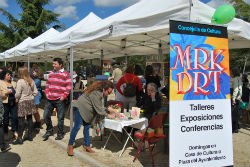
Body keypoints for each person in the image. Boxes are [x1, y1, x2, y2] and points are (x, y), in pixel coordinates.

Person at [67, 80, 115, 156]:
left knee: (87, 127)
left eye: (110, 93)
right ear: (104, 89)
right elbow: (99, 110)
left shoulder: (103, 94)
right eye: (108, 92)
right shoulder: (96, 94)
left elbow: (105, 105)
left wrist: (115, 111)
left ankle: (87, 145)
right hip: (80, 108)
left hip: (87, 112)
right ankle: (70, 145)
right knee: (77, 127)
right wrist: (109, 116)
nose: (108, 94)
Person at [43, 58, 72, 140]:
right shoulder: (51, 73)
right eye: (53, 64)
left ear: (60, 65)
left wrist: (63, 96)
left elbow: (69, 86)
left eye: (55, 64)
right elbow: (48, 84)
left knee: (60, 118)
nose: (53, 65)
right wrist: (47, 93)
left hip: (59, 100)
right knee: (45, 116)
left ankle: (60, 133)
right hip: (50, 99)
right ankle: (49, 130)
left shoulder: (66, 74)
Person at [14, 67, 38, 144]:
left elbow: (17, 93)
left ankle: (20, 138)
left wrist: (16, 98)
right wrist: (32, 96)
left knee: (21, 119)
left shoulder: (20, 81)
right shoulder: (31, 80)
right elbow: (36, 92)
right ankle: (30, 136)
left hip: (23, 101)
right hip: (30, 101)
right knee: (30, 118)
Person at [0, 69, 18, 141]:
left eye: (10, 75)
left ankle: (14, 131)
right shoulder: (0, 83)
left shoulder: (14, 83)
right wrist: (6, 93)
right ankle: (6, 133)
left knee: (14, 117)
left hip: (13, 103)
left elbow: (17, 92)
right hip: (5, 103)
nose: (10, 76)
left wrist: (17, 97)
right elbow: (1, 94)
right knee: (6, 119)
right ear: (4, 76)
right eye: (8, 75)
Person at [231, 68, 242, 133]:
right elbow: (240, 90)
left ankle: (234, 128)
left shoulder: (235, 79)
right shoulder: (239, 78)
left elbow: (236, 89)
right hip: (238, 98)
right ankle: (236, 127)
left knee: (233, 113)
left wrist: (233, 99)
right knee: (236, 113)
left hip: (235, 98)